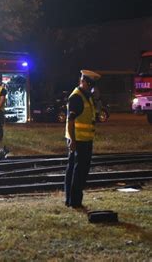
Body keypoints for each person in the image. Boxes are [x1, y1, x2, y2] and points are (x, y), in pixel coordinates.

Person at [64, 69, 101, 208]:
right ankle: (74, 201)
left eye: (92, 85)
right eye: (89, 84)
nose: (91, 87)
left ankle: (71, 200)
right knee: (79, 171)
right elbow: (70, 121)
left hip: (84, 139)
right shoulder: (76, 97)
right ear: (83, 81)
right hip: (78, 140)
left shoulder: (86, 96)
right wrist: (72, 140)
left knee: (75, 169)